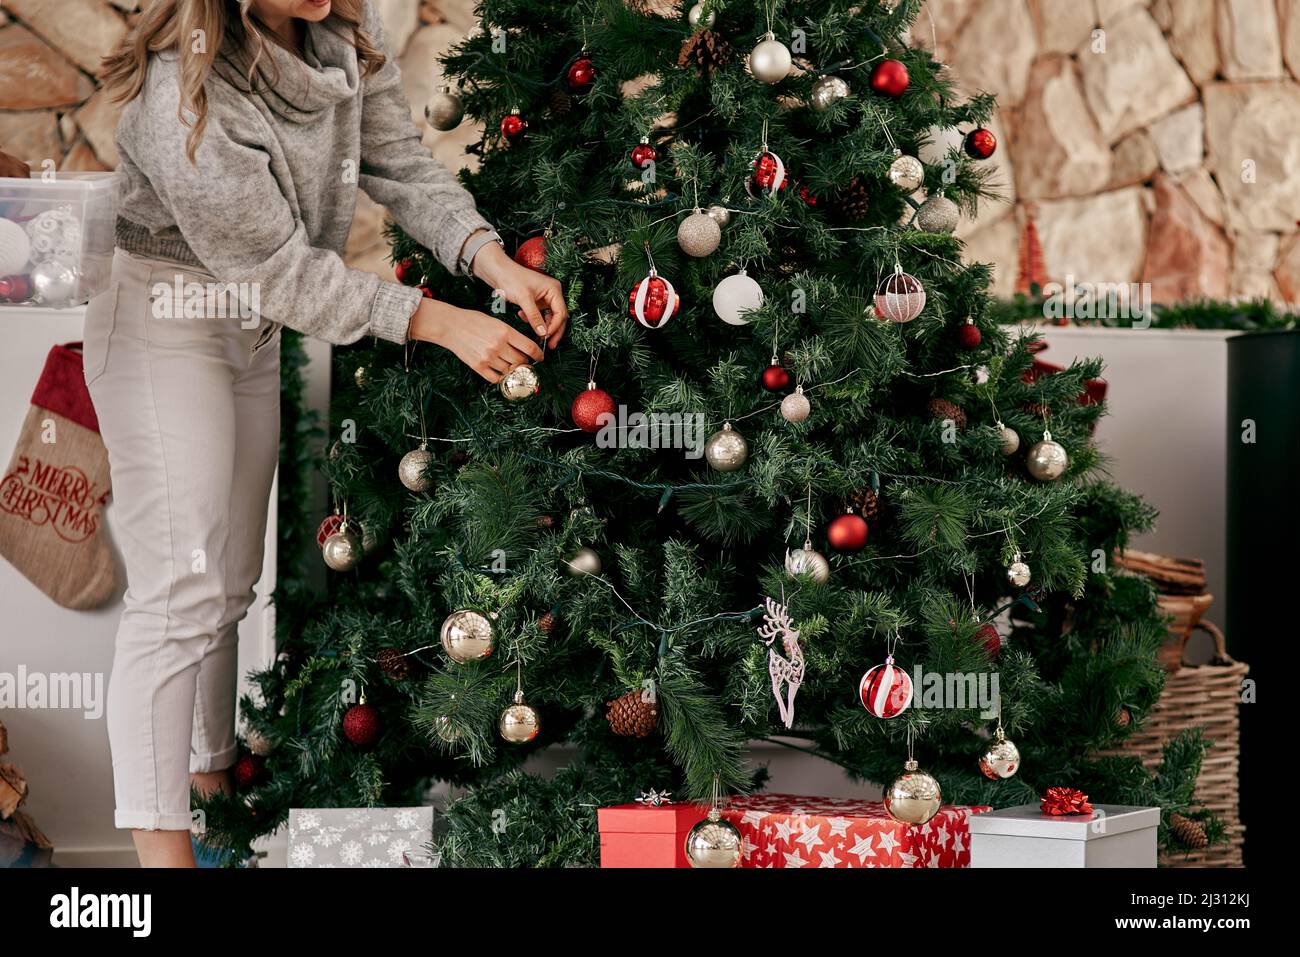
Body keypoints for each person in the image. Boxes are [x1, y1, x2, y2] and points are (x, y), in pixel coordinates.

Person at [88, 0, 567, 867]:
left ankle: (211, 801)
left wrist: (491, 260)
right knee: (179, 596)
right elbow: (281, 269)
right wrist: (439, 322)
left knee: (228, 583)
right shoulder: (184, 89)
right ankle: (162, 868)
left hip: (250, 330)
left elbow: (400, 163)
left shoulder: (337, 36)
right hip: (169, 321)